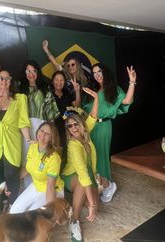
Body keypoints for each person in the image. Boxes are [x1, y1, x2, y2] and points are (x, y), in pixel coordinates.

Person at [0, 49, 48, 187]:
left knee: (31, 161)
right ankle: (9, 197)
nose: (31, 74)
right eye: (28, 71)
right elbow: (1, 80)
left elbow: (3, 80)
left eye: (33, 71)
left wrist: (31, 137)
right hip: (4, 138)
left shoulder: (39, 89)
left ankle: (34, 189)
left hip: (31, 129)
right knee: (5, 170)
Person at [82, 63, 137, 203]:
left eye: (99, 71)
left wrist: (132, 82)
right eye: (94, 73)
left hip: (103, 126)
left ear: (105, 72)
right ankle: (103, 184)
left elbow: (127, 100)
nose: (97, 75)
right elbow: (83, 109)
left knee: (100, 156)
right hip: (90, 127)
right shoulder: (93, 90)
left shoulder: (113, 89)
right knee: (91, 157)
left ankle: (108, 186)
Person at [0, 68, 31, 211]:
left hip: (12, 143)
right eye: (1, 78)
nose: (4, 81)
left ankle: (13, 206)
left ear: (11, 81)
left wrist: (29, 139)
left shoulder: (19, 99)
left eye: (7, 78)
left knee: (12, 174)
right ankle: (2, 204)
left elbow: (23, 122)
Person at [62, 87, 99, 242]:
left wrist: (96, 98)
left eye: (75, 124)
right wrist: (91, 203)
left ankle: (77, 197)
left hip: (87, 174)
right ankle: (74, 221)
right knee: (83, 184)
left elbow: (92, 116)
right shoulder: (72, 145)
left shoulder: (85, 132)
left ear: (80, 124)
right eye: (69, 126)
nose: (73, 128)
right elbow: (82, 173)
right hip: (70, 176)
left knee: (97, 206)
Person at [10, 121, 64, 213]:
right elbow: (27, 168)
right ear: (38, 130)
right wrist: (11, 183)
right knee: (14, 211)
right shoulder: (33, 147)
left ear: (52, 138)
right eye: (42, 130)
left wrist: (50, 211)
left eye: (47, 134)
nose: (43, 135)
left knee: (32, 216)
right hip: (36, 186)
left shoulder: (54, 158)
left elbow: (50, 187)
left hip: (52, 189)